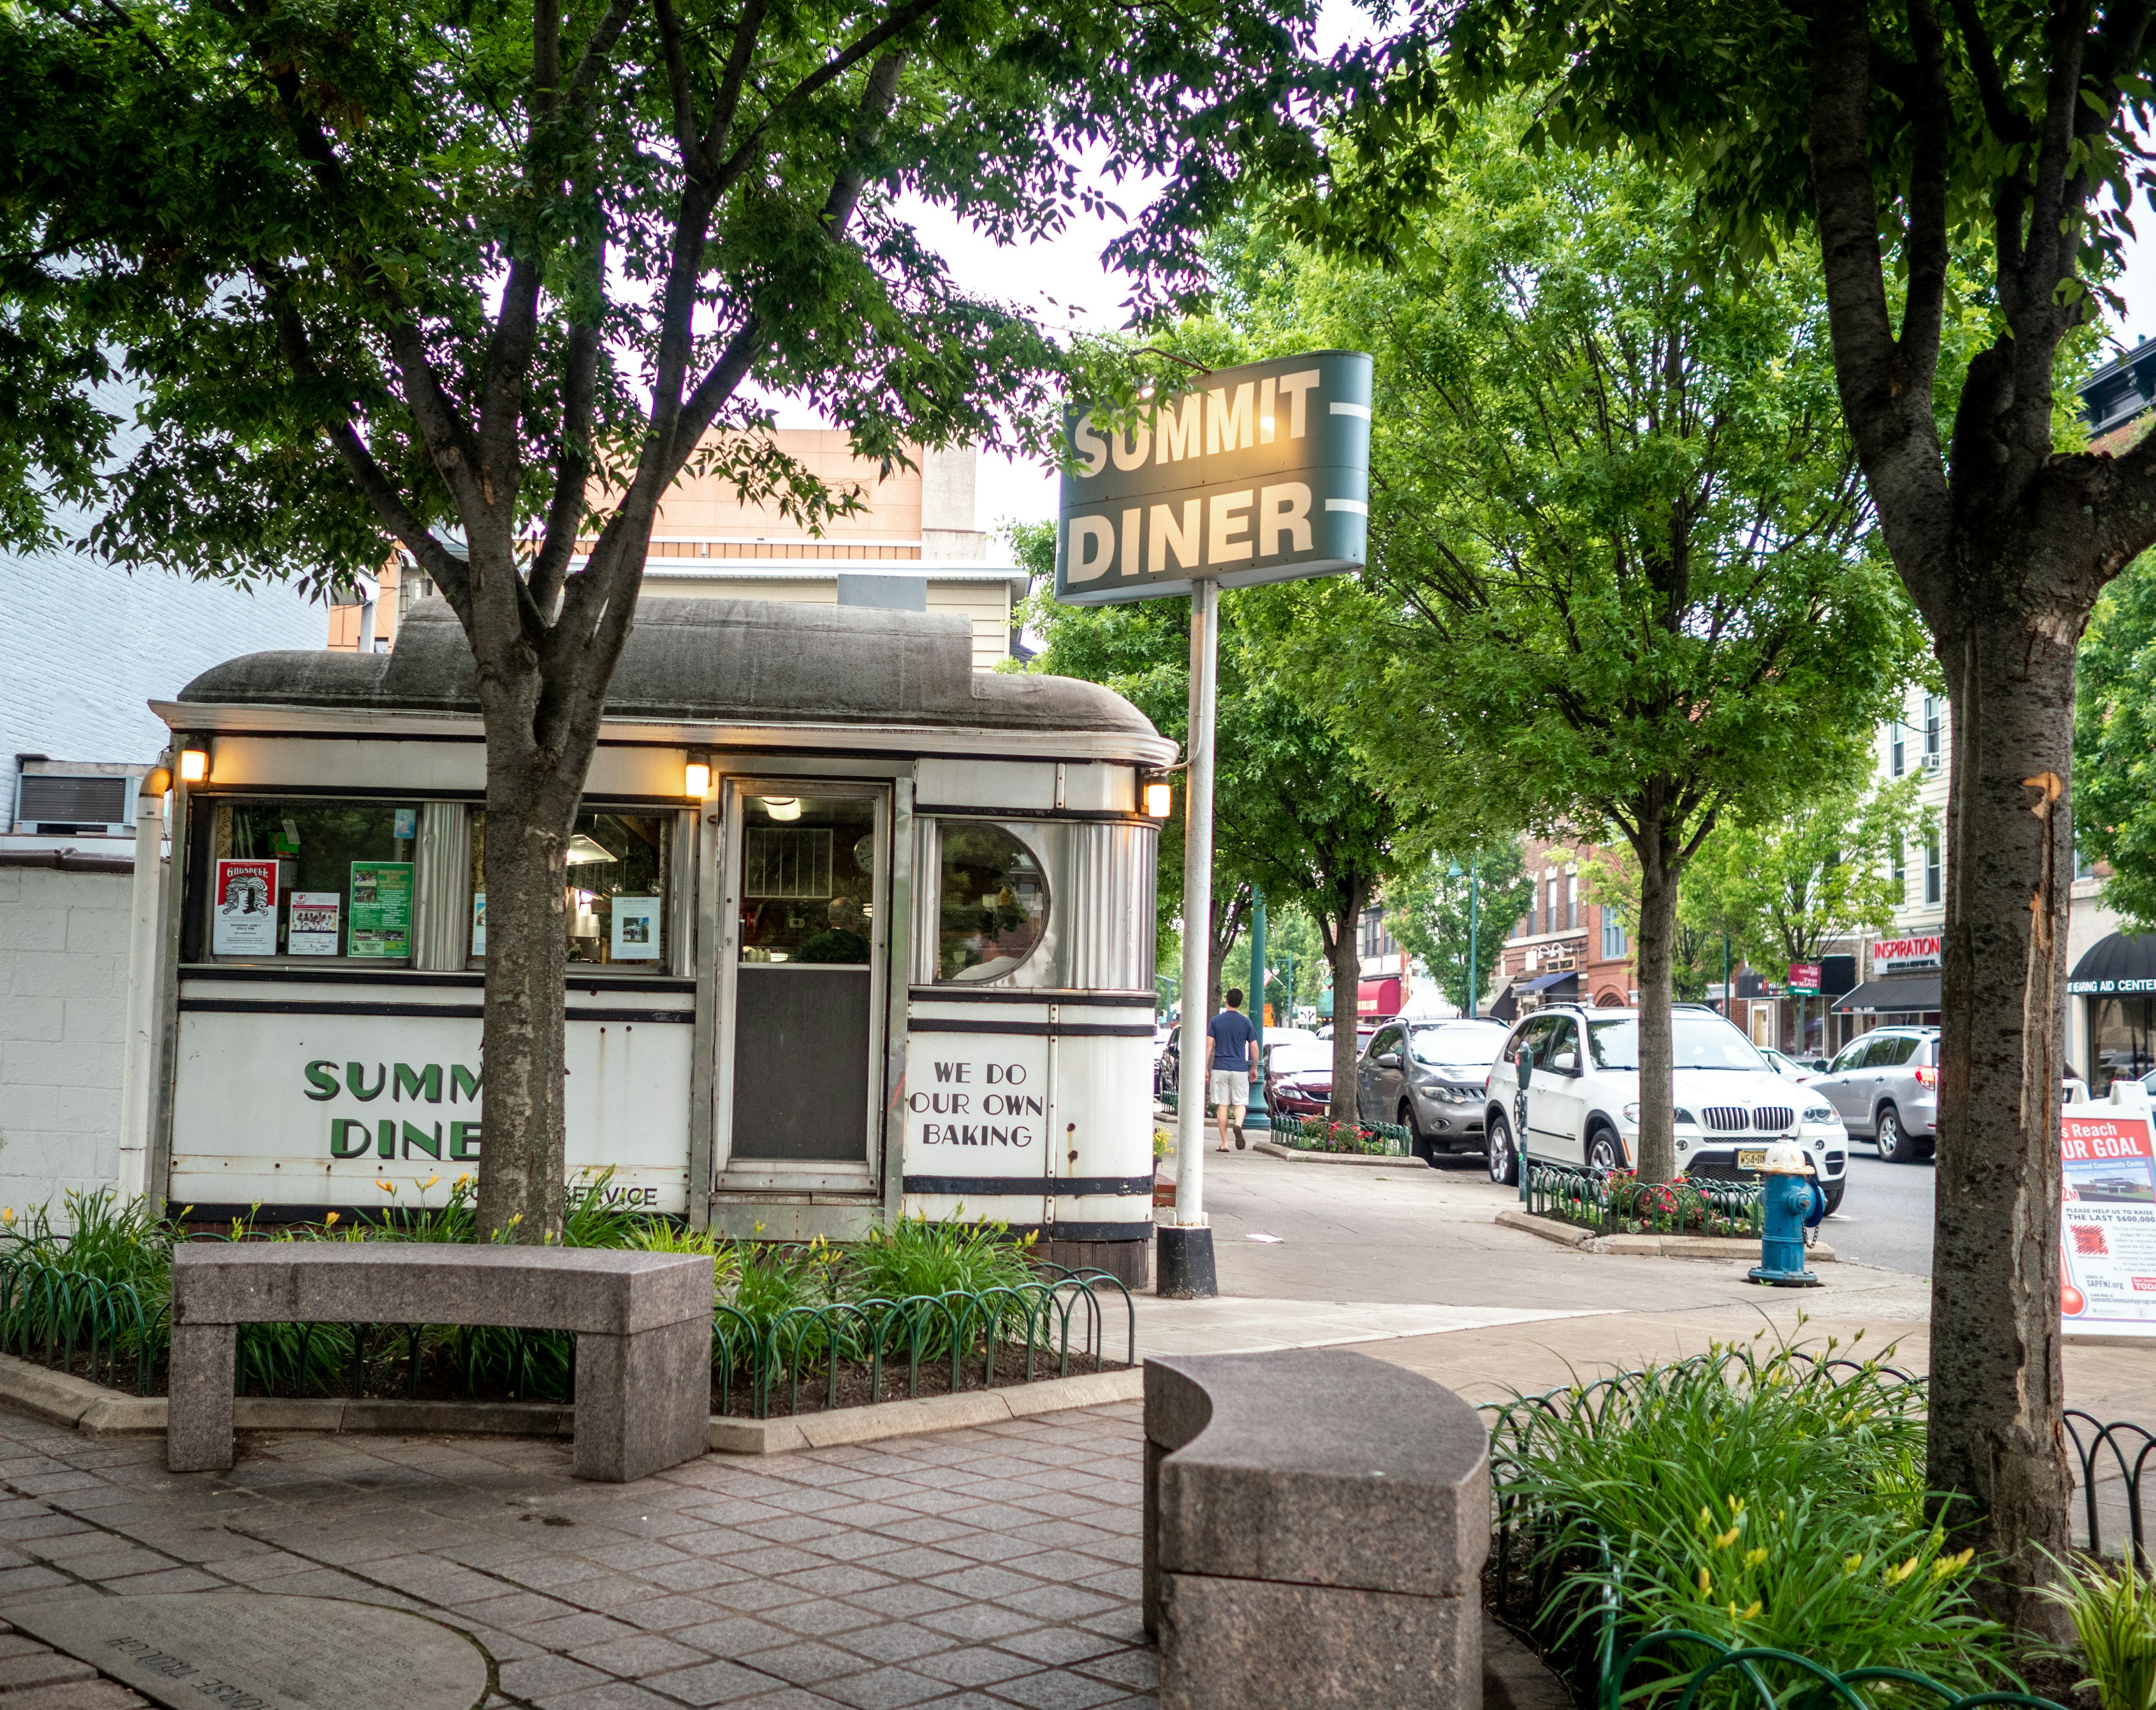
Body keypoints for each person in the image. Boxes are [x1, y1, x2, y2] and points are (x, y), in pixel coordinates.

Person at [1207, 989, 1260, 1152]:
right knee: (1240, 1103)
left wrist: (1205, 1068)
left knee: (1222, 1105)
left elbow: (1209, 1045)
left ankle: (1224, 1143)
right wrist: (1254, 1068)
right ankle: (1238, 1125)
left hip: (1220, 1068)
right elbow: (1254, 1048)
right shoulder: (1246, 1023)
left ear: (1226, 1001)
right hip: (1239, 1068)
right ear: (1240, 1003)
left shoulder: (1216, 1021)